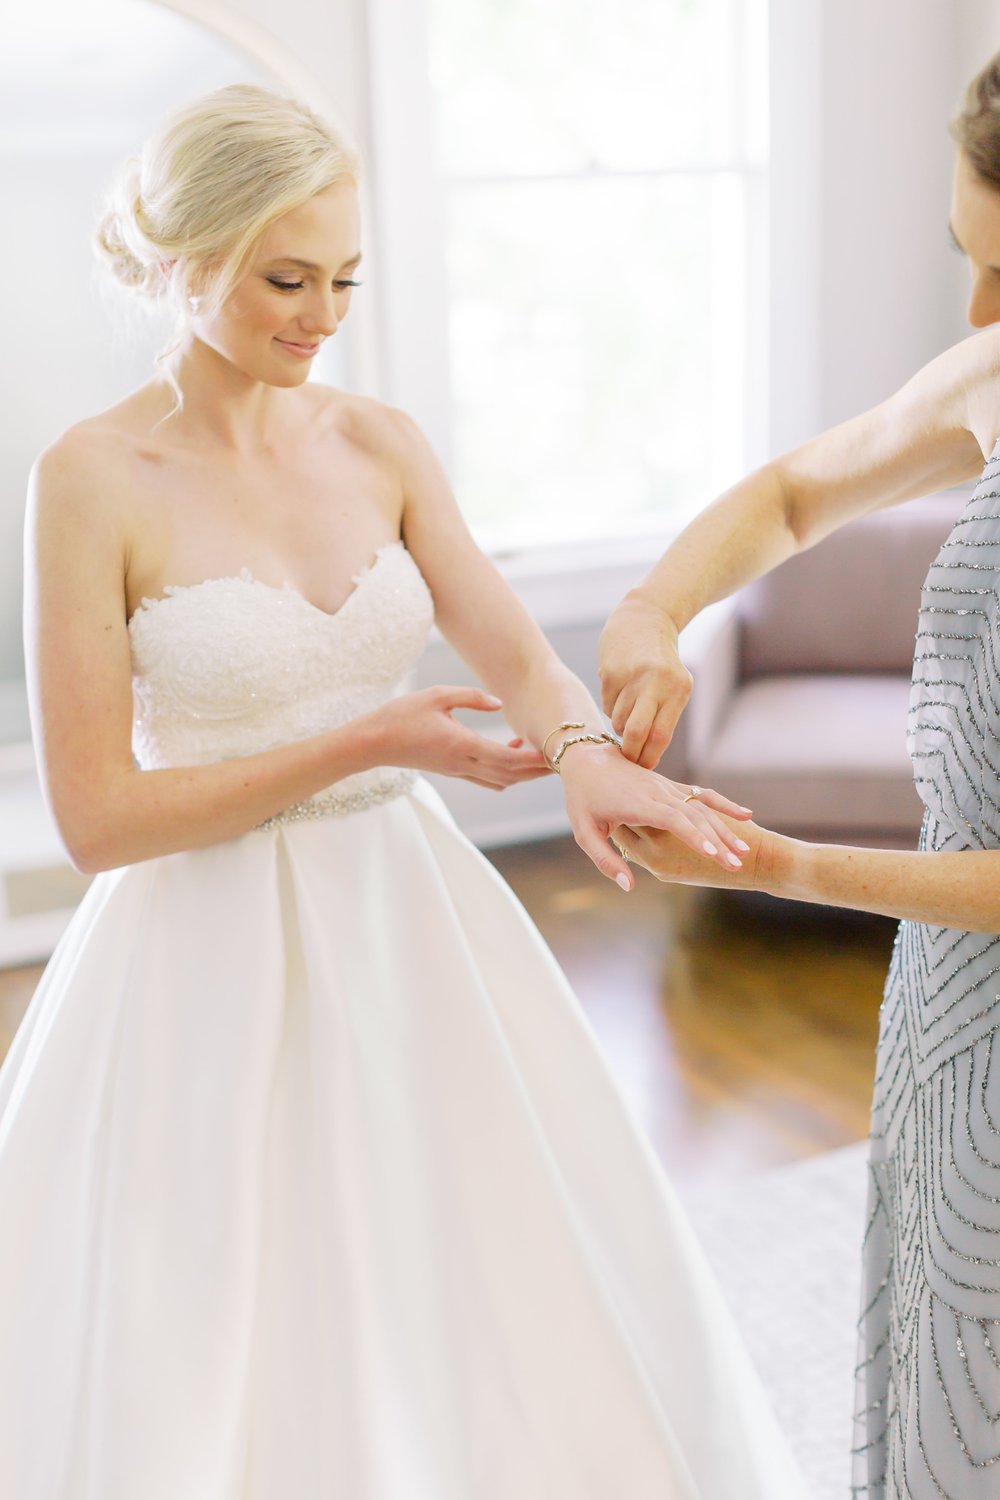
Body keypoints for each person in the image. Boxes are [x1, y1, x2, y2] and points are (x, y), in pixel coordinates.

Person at [0, 84, 800, 1498]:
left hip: (409, 918)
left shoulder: (376, 442)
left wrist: (588, 761)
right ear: (184, 261)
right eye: (285, 278)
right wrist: (368, 741)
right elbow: (98, 820)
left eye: (345, 279)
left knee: (479, 1266)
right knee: (219, 1317)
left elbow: (517, 653)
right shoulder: (88, 479)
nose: (321, 315)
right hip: (201, 948)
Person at [598, 50, 1000, 1500]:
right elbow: (788, 494)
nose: (971, 309)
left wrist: (780, 867)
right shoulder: (993, 370)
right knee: (948, 1344)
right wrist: (652, 610)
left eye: (997, 265)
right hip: (953, 994)